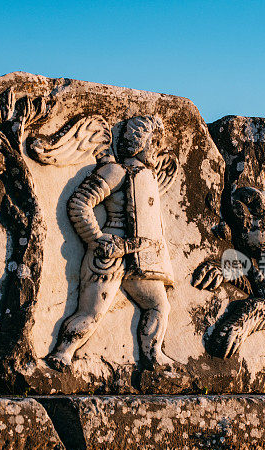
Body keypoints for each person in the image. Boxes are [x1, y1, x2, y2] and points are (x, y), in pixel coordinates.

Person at [46, 116, 173, 371]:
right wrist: (95, 238)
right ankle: (62, 353)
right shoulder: (115, 171)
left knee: (159, 306)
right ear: (140, 143)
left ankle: (153, 356)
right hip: (110, 253)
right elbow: (79, 203)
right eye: (154, 142)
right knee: (91, 314)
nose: (157, 149)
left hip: (141, 256)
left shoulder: (146, 175)